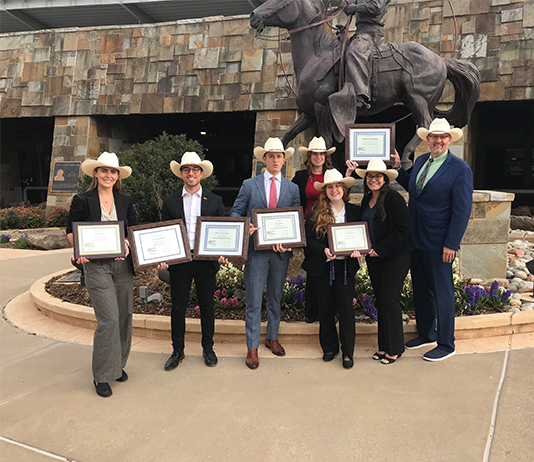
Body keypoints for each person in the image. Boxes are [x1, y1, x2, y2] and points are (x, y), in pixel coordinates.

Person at [392, 118, 473, 361]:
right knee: (421, 289)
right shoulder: (420, 162)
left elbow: (462, 210)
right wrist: (397, 169)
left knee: (443, 293)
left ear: (450, 140)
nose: (438, 141)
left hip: (440, 243)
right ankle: (427, 333)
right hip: (416, 239)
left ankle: (447, 343)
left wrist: (451, 243)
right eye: (434, 137)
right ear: (427, 140)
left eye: (443, 137)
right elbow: (414, 189)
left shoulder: (460, 169)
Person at [66, 151, 138, 398]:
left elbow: (132, 230)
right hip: (96, 266)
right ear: (96, 173)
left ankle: (117, 365)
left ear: (118, 176)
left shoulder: (125, 201)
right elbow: (71, 231)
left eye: (113, 171)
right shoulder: (82, 200)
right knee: (108, 318)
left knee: (124, 315)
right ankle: (102, 375)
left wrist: (128, 244)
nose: (109, 175)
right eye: (104, 170)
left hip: (122, 266)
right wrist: (79, 250)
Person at [230, 137, 300, 370]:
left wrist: (290, 242)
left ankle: (272, 337)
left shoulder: (292, 188)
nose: (275, 160)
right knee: (253, 299)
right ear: (264, 159)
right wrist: (245, 227)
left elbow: (296, 223)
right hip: (256, 253)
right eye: (271, 156)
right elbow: (236, 214)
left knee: (275, 298)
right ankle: (252, 347)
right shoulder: (249, 185)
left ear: (284, 160)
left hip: (280, 255)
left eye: (279, 156)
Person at [157, 152, 227, 371]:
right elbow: (165, 231)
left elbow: (222, 231)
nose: (191, 173)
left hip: (206, 260)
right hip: (181, 260)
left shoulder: (215, 200)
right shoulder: (170, 201)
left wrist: (223, 252)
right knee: (178, 306)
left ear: (202, 173)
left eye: (195, 169)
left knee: (207, 305)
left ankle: (208, 348)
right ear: (181, 173)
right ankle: (178, 351)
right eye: (186, 169)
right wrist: (163, 256)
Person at [355, 158, 412, 364]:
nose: (373, 179)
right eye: (370, 176)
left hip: (396, 256)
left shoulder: (393, 198)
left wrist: (380, 249)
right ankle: (384, 346)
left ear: (385, 179)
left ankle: (395, 348)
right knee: (381, 300)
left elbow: (405, 229)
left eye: (378, 176)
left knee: (389, 299)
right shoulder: (366, 200)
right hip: (375, 258)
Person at [302, 169, 360, 369]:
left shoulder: (354, 211)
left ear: (343, 189)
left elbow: (362, 237)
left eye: (337, 186)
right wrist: (324, 249)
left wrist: (357, 250)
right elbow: (307, 240)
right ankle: (329, 347)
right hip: (323, 267)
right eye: (330, 187)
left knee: (345, 310)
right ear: (325, 190)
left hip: (345, 268)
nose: (334, 190)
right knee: (325, 309)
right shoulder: (317, 211)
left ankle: (348, 352)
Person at [328, 0, 391, 134]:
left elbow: (377, 7)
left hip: (372, 33)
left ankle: (361, 96)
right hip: (360, 31)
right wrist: (346, 5)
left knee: (353, 52)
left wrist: (354, 8)